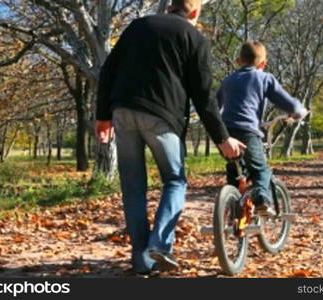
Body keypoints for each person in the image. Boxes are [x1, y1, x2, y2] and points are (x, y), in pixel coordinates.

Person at [95, 0, 245, 276]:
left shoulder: (138, 26)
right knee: (175, 180)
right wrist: (222, 138)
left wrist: (102, 116)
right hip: (161, 117)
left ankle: (142, 263)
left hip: (123, 111)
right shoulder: (194, 37)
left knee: (133, 187)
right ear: (195, 12)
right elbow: (203, 96)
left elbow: (108, 70)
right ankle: (160, 247)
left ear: (168, 8)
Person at [218, 41, 308, 213]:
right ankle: (261, 201)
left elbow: (215, 106)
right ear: (263, 64)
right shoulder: (264, 78)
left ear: (238, 60)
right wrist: (299, 111)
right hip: (248, 132)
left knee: (235, 170)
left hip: (224, 134)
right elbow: (288, 103)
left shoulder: (228, 81)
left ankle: (232, 210)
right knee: (261, 169)